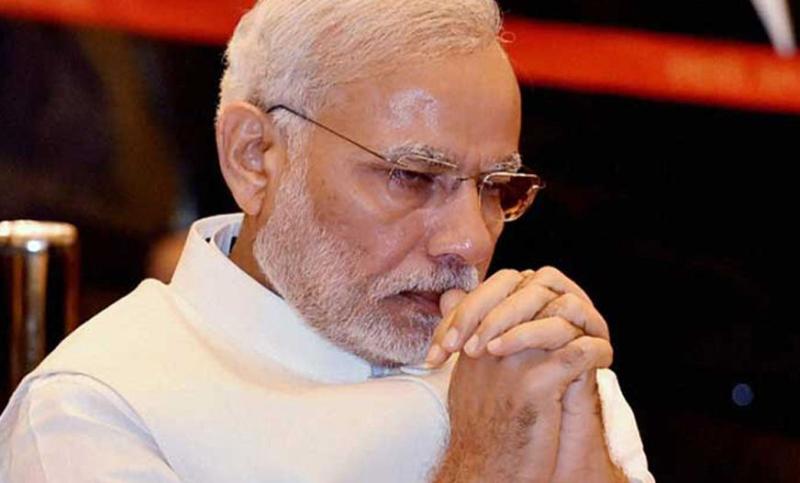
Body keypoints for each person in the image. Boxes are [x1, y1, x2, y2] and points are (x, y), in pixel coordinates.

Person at [0, 0, 653, 481]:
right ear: (255, 157)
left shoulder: (534, 365)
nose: (467, 242)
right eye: (411, 176)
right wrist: (483, 464)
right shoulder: (97, 406)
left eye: (495, 188)